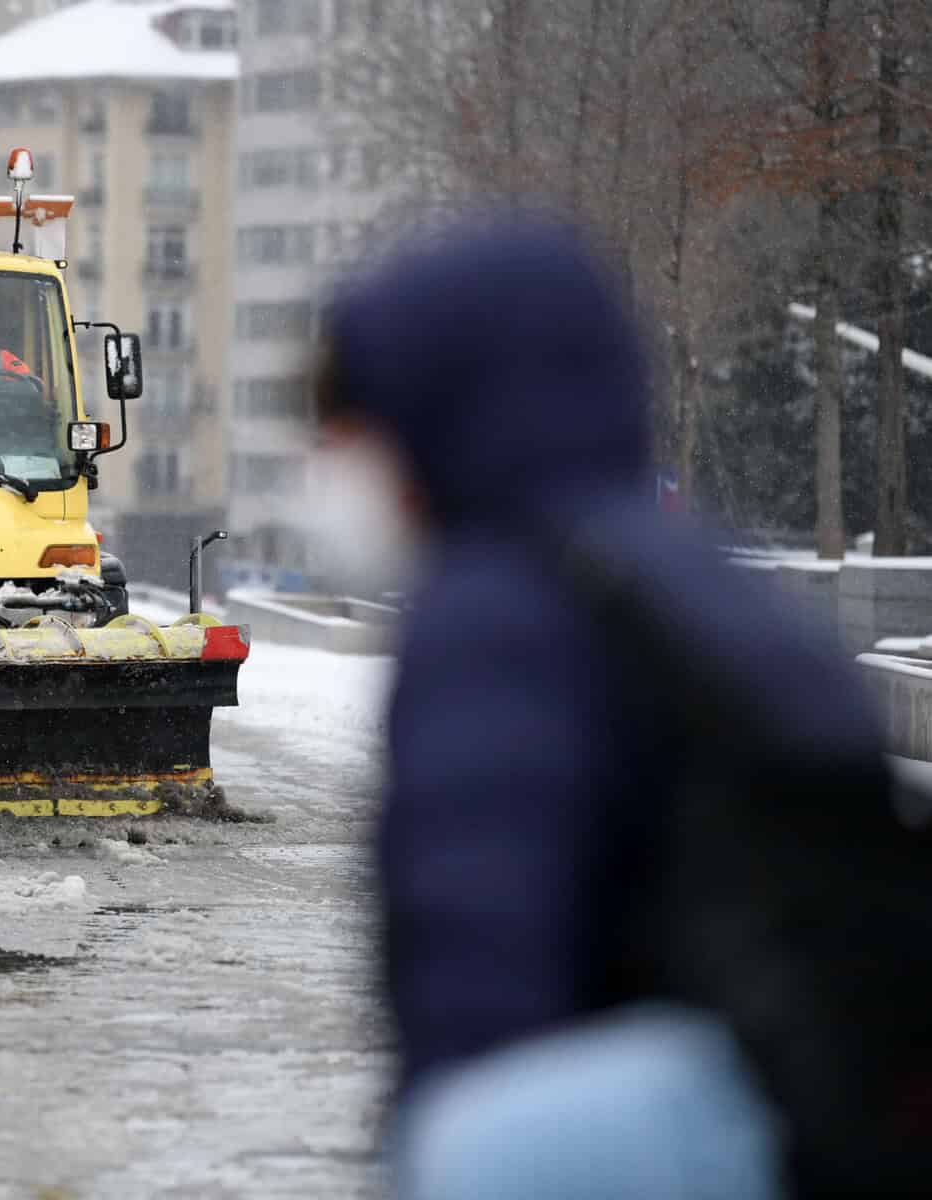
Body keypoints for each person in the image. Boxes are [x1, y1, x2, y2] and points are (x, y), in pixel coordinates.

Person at [311, 214, 884, 1200]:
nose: (332, 458)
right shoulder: (699, 579)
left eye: (352, 421)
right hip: (818, 1117)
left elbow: (480, 988)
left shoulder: (500, 610)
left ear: (441, 405)